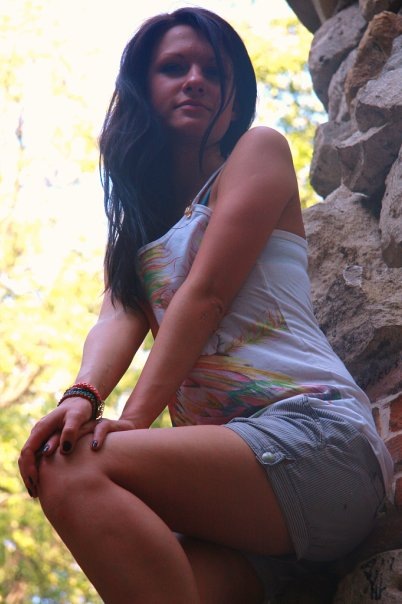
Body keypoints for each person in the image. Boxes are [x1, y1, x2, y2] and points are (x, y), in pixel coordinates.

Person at [19, 7, 393, 604]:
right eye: (174, 68)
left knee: (72, 464)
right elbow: (114, 318)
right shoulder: (136, 236)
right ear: (142, 89)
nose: (195, 79)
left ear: (233, 94)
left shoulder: (258, 150)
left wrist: (130, 425)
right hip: (243, 517)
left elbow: (206, 295)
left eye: (213, 71)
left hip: (316, 440)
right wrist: (81, 397)